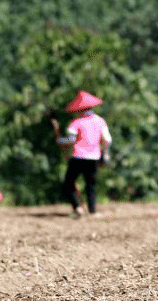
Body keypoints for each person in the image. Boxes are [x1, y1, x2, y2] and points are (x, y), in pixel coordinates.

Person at [52, 90, 112, 219]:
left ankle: (77, 208)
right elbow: (107, 139)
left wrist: (59, 140)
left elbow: (70, 140)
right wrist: (105, 154)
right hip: (94, 157)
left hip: (78, 157)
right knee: (91, 185)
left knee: (69, 183)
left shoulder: (76, 122)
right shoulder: (100, 121)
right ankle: (92, 211)